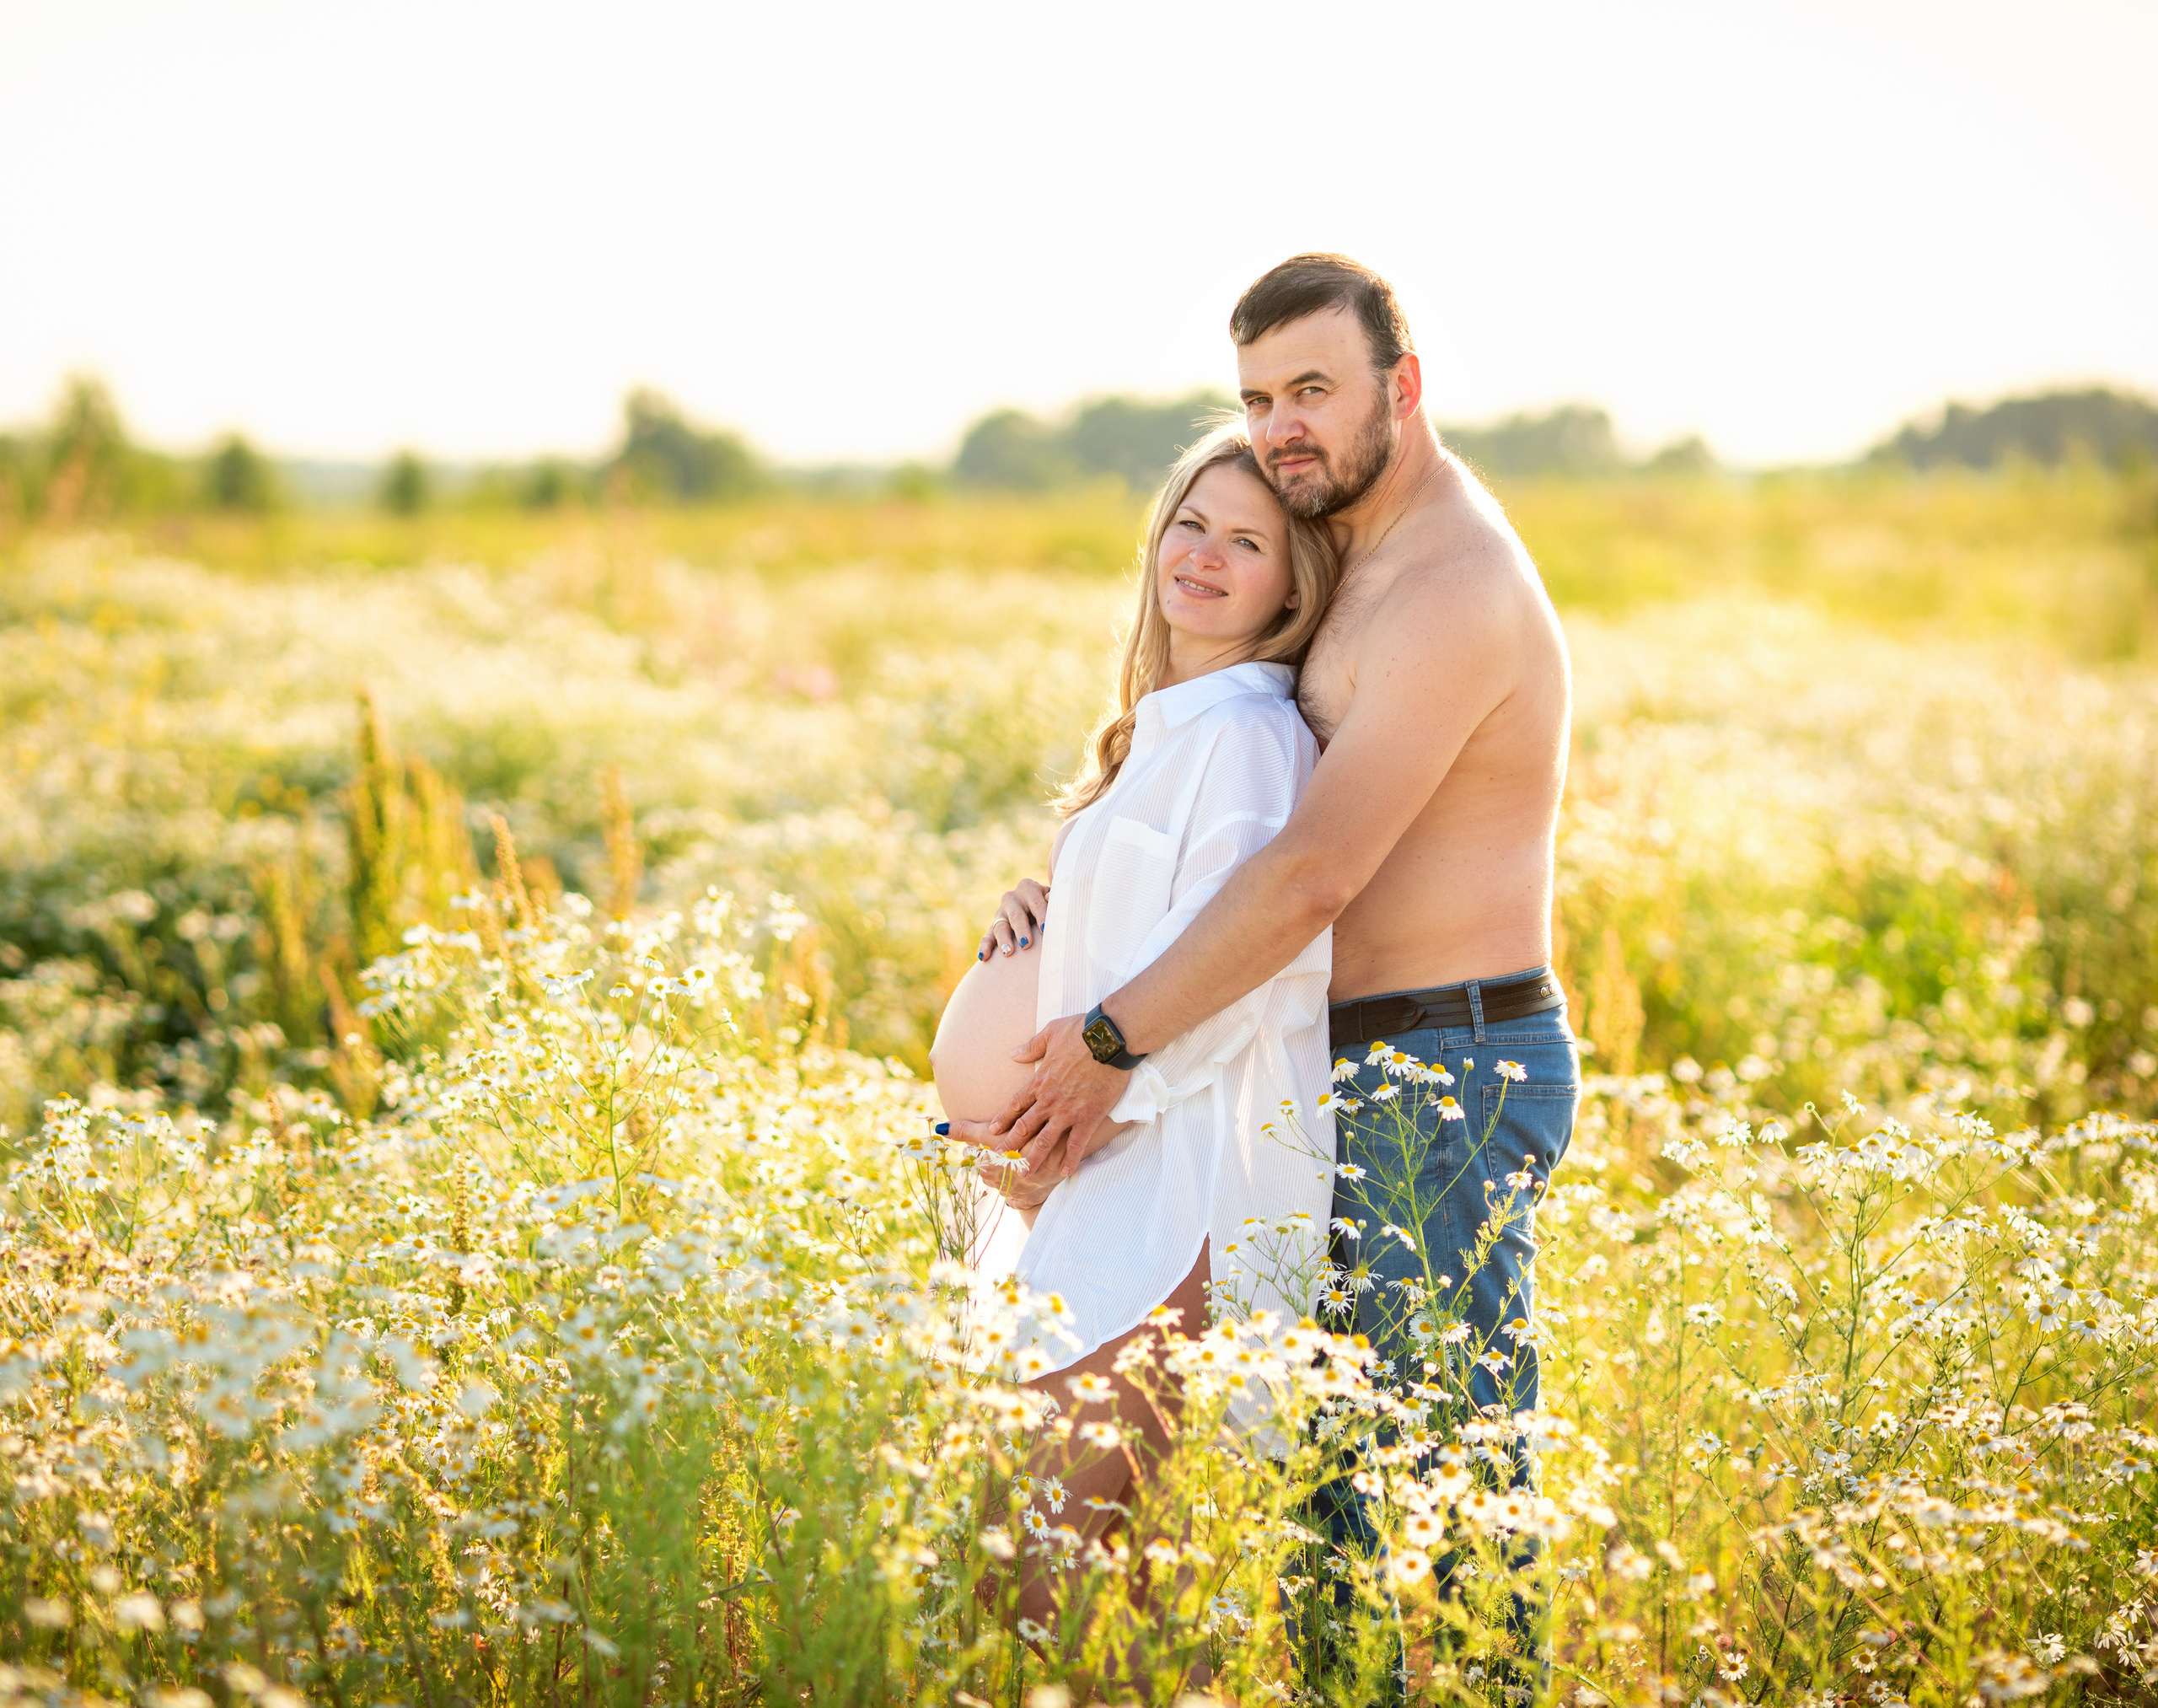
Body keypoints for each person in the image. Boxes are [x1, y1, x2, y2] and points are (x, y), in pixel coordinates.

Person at [972, 254, 1580, 1668]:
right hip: (1323, 1063)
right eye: (1257, 397)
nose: (1280, 426)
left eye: (1314, 388)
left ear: (1403, 386)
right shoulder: (1345, 550)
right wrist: (1064, 886)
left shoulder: (1454, 584)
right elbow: (1211, 799)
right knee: (1333, 1496)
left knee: (1454, 1475)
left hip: (1446, 1064)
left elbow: (1309, 871)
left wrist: (1109, 1040)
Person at [928, 422, 1339, 1661]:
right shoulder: (1166, 730)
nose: (1206, 557)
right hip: (1096, 1168)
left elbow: (1243, 968)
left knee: (1054, 1556)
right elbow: (1147, 938)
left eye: (1248, 541)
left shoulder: (1250, 738)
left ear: (1290, 586)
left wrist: (1063, 1111)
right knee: (1059, 1566)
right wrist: (1043, 907)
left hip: (1176, 1176)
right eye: (1191, 525)